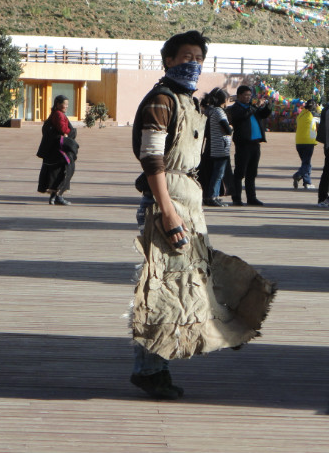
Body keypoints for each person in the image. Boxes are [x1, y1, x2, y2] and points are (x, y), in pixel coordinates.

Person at [129, 30, 276, 400]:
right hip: (168, 203)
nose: (192, 63)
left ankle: (218, 326)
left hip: (189, 202)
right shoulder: (161, 102)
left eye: (198, 58)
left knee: (190, 279)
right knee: (161, 287)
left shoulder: (189, 102)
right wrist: (167, 212)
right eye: (185, 57)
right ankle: (151, 369)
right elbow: (152, 160)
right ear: (168, 60)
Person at [226, 85, 272, 206]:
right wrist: (256, 106)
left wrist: (268, 107)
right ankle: (236, 198)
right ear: (239, 95)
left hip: (255, 144)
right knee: (240, 172)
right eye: (245, 95)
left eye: (249, 95)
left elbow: (262, 114)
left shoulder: (251, 107)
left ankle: (252, 198)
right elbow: (242, 116)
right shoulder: (235, 108)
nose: (248, 98)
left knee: (252, 173)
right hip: (243, 144)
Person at [36, 95, 78, 205]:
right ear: (58, 104)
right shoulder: (59, 115)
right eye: (65, 104)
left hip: (53, 151)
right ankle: (58, 196)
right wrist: (70, 131)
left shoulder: (54, 114)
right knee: (66, 170)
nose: (66, 106)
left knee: (56, 173)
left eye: (67, 104)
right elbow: (63, 129)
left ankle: (54, 197)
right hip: (59, 151)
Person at [201, 87, 232, 207]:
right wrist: (231, 127)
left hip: (215, 146)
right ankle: (212, 196)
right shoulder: (219, 112)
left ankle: (212, 196)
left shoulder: (212, 111)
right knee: (218, 174)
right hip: (220, 147)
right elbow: (227, 130)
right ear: (222, 100)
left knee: (216, 173)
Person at [292, 99, 317, 189]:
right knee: (306, 163)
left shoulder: (301, 114)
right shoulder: (312, 115)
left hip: (299, 142)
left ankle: (307, 182)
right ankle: (298, 175)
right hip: (308, 141)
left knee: (306, 163)